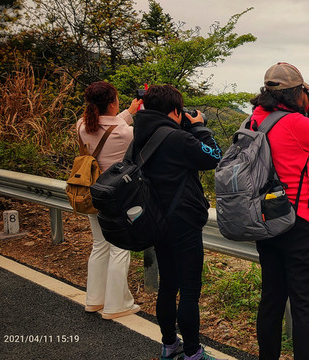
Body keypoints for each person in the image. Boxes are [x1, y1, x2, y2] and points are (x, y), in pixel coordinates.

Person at [250, 62, 309, 360]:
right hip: (298, 221)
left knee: (272, 298)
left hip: (265, 218)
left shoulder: (255, 120)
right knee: (303, 304)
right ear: (297, 93)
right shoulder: (294, 123)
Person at [132, 84, 222, 360]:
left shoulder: (140, 133)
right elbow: (213, 156)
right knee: (190, 290)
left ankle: (169, 346)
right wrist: (199, 127)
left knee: (168, 284)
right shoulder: (177, 139)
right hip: (183, 222)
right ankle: (193, 353)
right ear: (174, 110)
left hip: (157, 220)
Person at [78, 81, 142, 320]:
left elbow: (107, 128)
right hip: (117, 196)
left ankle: (95, 300)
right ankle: (117, 305)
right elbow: (121, 134)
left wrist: (129, 112)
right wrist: (135, 115)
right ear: (113, 101)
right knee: (119, 246)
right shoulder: (126, 132)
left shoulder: (82, 125)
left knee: (100, 245)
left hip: (91, 192)